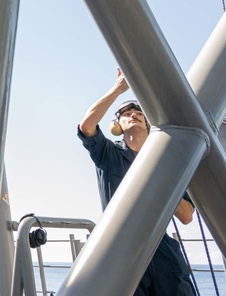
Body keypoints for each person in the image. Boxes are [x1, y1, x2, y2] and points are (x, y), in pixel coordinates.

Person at [77, 69, 196, 296]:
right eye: (127, 113)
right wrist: (118, 89)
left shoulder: (166, 164)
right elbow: (86, 126)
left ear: (148, 123)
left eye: (139, 113)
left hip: (161, 251)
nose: (134, 114)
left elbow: (186, 216)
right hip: (120, 251)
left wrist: (161, 175)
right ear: (118, 125)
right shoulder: (108, 154)